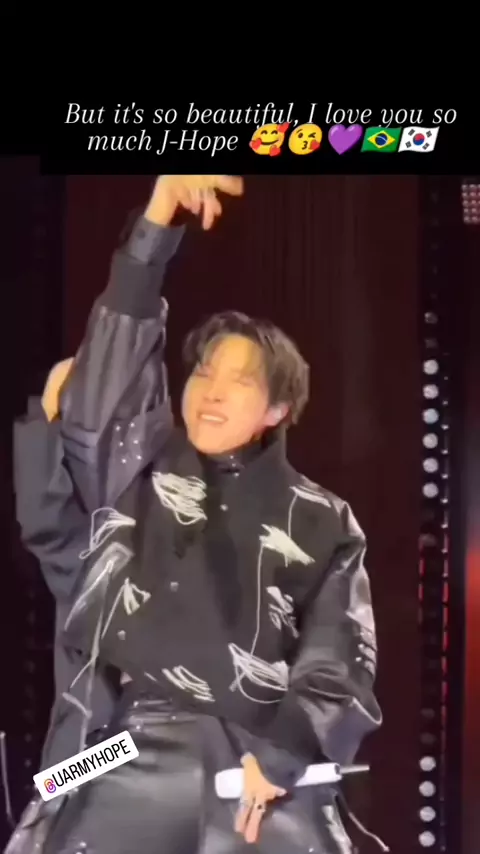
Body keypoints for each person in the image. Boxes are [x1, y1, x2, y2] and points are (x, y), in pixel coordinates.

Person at [9, 176, 383, 854]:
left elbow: (338, 659)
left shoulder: (322, 519)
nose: (211, 392)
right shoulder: (137, 470)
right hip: (113, 741)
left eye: (239, 381)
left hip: (256, 754)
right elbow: (108, 376)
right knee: (53, 803)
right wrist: (158, 219)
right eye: (204, 373)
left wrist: (282, 756)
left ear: (277, 410)